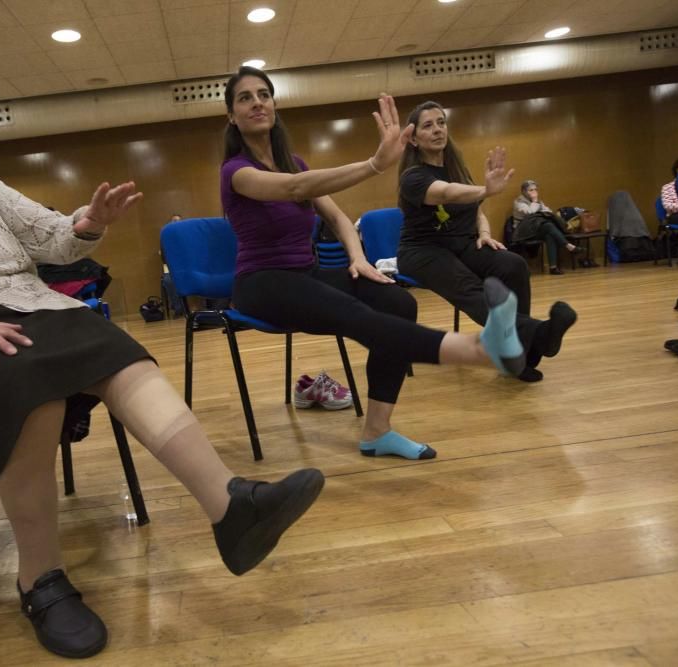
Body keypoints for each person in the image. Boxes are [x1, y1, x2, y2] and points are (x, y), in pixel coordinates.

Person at [0, 85, 326, 660]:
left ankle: (231, 504)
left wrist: (89, 222)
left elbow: (56, 240)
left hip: (33, 315)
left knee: (111, 343)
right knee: (21, 379)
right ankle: (40, 580)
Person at [220, 66, 529, 462]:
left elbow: (338, 218)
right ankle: (478, 349)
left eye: (263, 94)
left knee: (398, 302)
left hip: (305, 274)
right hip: (260, 284)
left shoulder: (293, 161)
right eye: (245, 98)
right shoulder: (235, 172)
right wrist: (374, 164)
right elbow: (297, 189)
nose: (257, 102)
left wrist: (358, 258)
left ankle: (377, 430)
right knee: (352, 313)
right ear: (232, 115)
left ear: (275, 105)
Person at [394, 100, 577, 384]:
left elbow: (474, 209)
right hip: (422, 251)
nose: (437, 129)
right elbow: (446, 194)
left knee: (512, 264)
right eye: (428, 125)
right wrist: (485, 189)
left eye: (441, 122)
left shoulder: (456, 169)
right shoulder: (413, 177)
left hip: (464, 244)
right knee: (470, 285)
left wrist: (485, 234)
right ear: (414, 138)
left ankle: (521, 356)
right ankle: (538, 336)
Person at [512, 180, 582, 275]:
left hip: (536, 229)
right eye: (530, 190)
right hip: (523, 231)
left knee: (549, 234)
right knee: (548, 226)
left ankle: (553, 267)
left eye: (535, 190)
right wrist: (535, 201)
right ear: (524, 192)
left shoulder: (538, 202)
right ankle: (567, 245)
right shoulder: (519, 202)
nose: (534, 192)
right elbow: (530, 212)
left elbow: (549, 212)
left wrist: (539, 204)